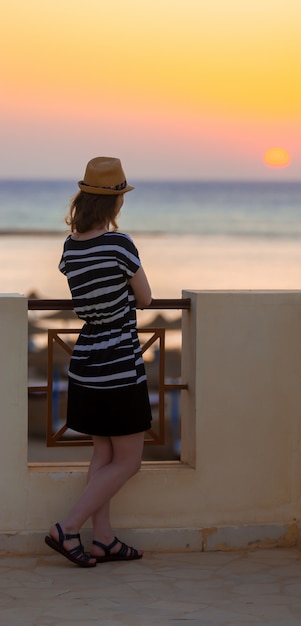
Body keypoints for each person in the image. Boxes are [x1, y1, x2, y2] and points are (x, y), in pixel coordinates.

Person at [45, 156, 153, 567]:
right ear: (115, 202)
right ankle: (67, 527)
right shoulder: (119, 244)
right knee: (129, 461)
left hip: (85, 363)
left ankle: (103, 539)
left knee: (103, 456)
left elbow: (86, 299)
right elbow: (144, 298)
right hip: (120, 365)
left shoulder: (71, 247)